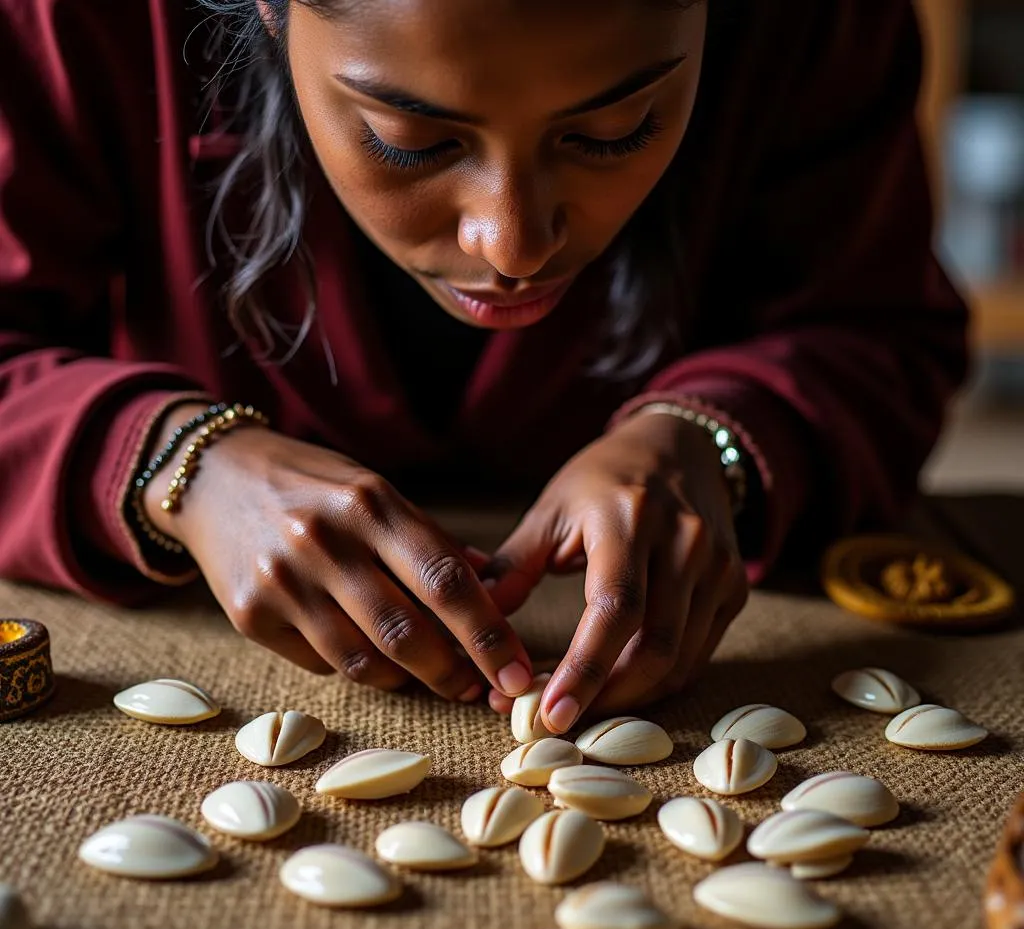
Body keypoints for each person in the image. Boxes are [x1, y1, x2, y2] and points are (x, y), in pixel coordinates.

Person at [0, 0, 968, 734]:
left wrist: (708, 437)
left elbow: (877, 328)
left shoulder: (820, 21)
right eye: (410, 139)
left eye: (612, 131)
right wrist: (174, 462)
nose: (510, 244)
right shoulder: (72, 21)